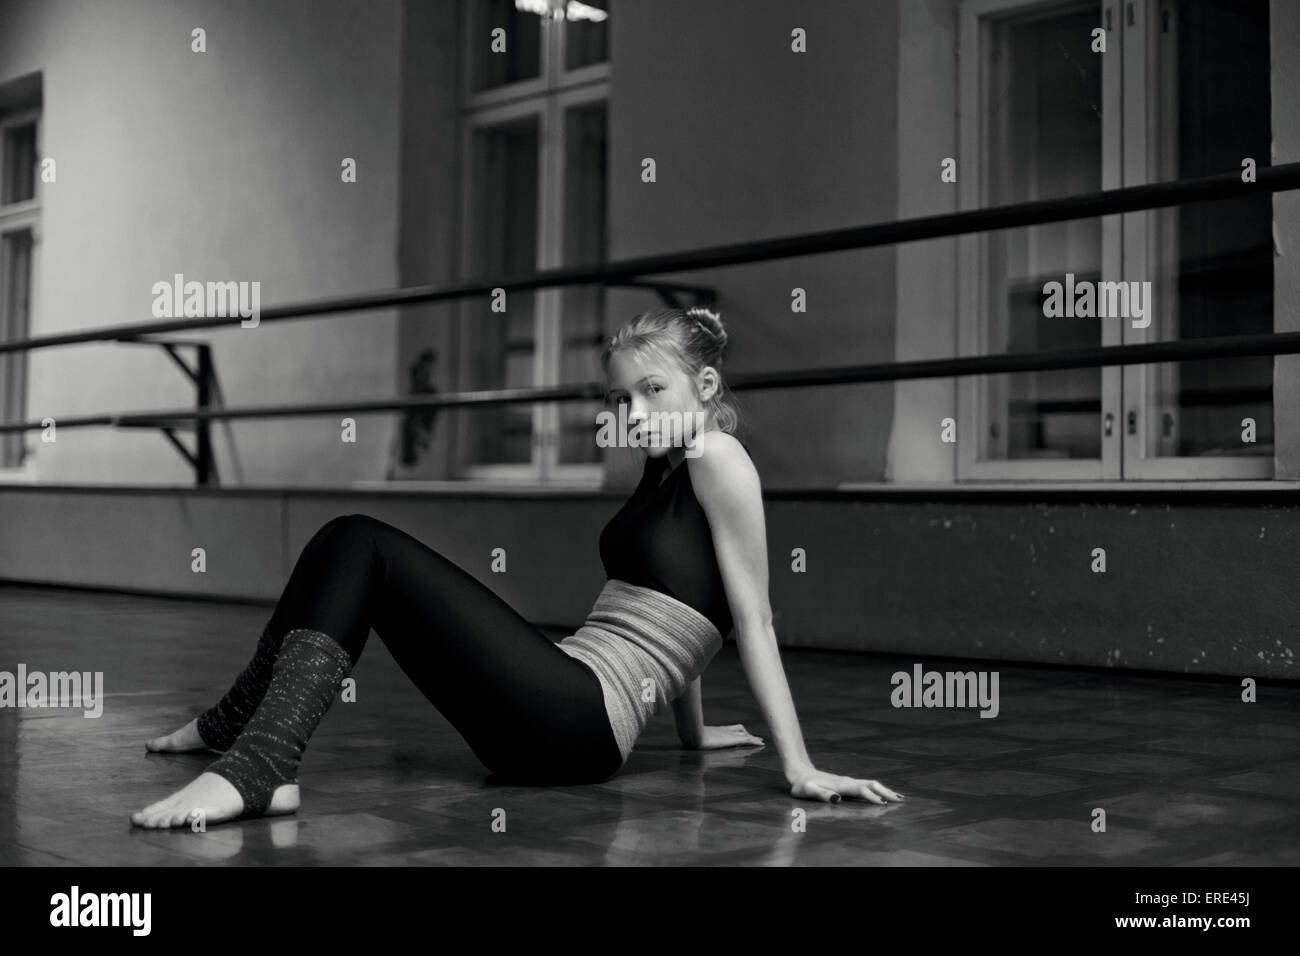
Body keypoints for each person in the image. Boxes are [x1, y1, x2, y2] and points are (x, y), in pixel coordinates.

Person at [131, 306, 903, 828]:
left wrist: (801, 767)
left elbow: (753, 617)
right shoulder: (666, 464)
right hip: (556, 710)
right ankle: (241, 724)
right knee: (344, 543)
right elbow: (684, 605)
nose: (632, 413)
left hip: (577, 723)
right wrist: (693, 738)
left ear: (705, 387)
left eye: (652, 390)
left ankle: (261, 764)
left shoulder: (720, 456)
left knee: (359, 540)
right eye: (619, 396)